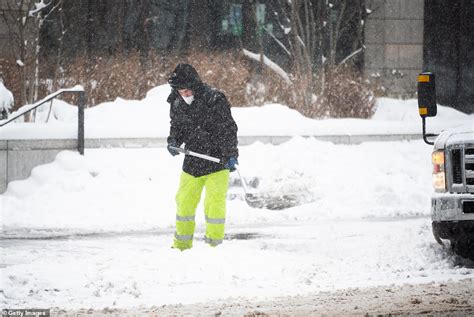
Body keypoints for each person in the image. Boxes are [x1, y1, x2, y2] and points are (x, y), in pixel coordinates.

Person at [166, 63, 239, 251]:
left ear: (195, 85)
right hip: (193, 161)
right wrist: (174, 140)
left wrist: (231, 154)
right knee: (184, 204)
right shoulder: (176, 102)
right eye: (180, 91)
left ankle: (214, 248)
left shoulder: (214, 99)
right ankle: (181, 246)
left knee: (214, 206)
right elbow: (178, 126)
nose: (185, 95)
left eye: (187, 91)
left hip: (218, 161)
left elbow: (229, 128)